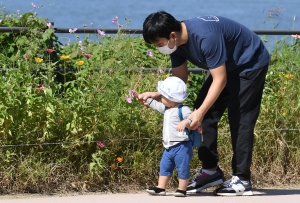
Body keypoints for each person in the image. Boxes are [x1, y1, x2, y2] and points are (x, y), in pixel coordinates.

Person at [137, 10, 271, 196]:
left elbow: (220, 80)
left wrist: (199, 113)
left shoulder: (205, 37)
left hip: (249, 63)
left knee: (240, 118)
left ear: (172, 35)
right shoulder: (176, 45)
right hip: (227, 67)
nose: (160, 48)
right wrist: (158, 95)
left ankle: (242, 179)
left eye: (160, 43)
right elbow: (179, 80)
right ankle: (210, 171)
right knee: (203, 109)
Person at [133, 76, 194, 197]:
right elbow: (155, 105)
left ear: (172, 98)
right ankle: (161, 188)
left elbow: (193, 119)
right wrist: (142, 97)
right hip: (168, 146)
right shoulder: (167, 109)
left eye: (163, 96)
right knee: (164, 166)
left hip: (182, 145)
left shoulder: (184, 109)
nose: (161, 98)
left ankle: (182, 189)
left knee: (182, 167)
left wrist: (186, 122)